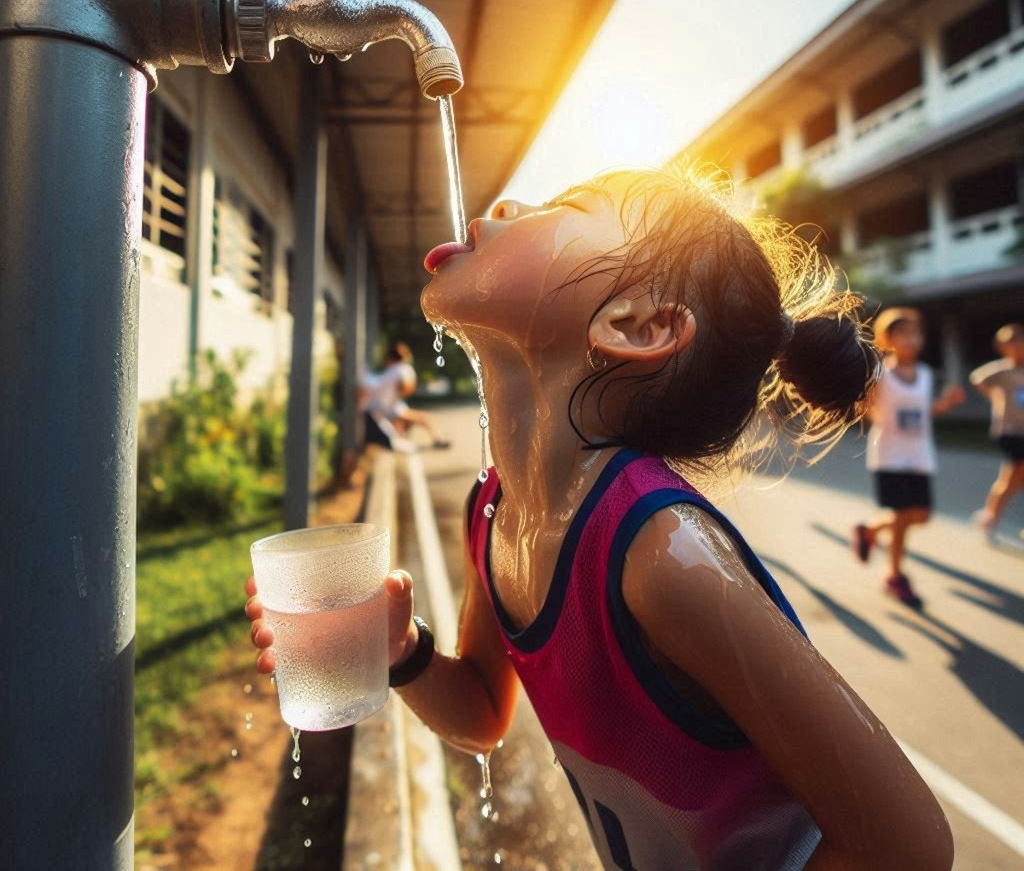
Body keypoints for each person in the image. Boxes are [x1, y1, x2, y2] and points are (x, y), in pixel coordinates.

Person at [248, 168, 953, 870]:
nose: (506, 203)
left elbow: (908, 846)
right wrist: (402, 652)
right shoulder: (495, 509)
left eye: (567, 205)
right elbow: (483, 714)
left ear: (637, 324)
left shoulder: (663, 555)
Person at [852, 307, 965, 608]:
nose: (912, 339)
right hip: (890, 454)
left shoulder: (926, 374)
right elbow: (864, 405)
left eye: (916, 334)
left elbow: (924, 412)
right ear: (888, 339)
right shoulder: (881, 374)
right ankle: (894, 575)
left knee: (921, 514)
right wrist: (878, 415)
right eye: (904, 334)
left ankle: (870, 530)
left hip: (920, 454)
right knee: (902, 517)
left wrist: (946, 404)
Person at [969, 322, 1024, 536]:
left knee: (1014, 479)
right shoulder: (1002, 370)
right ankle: (990, 516)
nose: (1017, 347)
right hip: (1009, 431)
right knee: (1012, 476)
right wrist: (992, 396)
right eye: (1011, 344)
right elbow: (977, 378)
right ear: (1004, 348)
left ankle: (990, 514)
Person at [358, 342, 449, 451]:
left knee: (410, 420)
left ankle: (432, 440)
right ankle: (438, 440)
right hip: (388, 409)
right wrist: (401, 389)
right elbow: (407, 386)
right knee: (422, 418)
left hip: (384, 407)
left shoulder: (390, 371)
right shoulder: (402, 368)